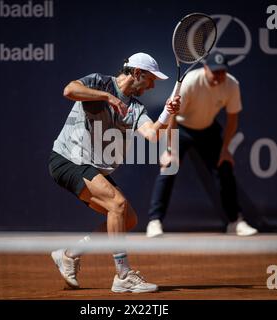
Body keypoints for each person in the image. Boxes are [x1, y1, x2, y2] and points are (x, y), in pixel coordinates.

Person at [48, 52, 181, 293]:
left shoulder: (135, 108)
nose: (152, 86)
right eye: (151, 79)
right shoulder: (100, 82)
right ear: (137, 73)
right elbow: (69, 90)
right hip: (68, 159)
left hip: (90, 166)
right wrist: (108, 97)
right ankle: (123, 275)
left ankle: (69, 255)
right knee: (117, 205)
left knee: (127, 218)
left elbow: (153, 134)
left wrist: (168, 112)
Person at [146, 51, 258, 238]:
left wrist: (225, 149)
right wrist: (169, 149)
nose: (218, 77)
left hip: (208, 130)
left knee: (225, 168)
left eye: (222, 72)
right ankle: (154, 221)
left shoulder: (231, 85)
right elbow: (173, 115)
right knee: (168, 167)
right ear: (205, 69)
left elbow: (232, 120)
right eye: (215, 72)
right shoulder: (191, 81)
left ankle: (235, 222)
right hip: (181, 127)